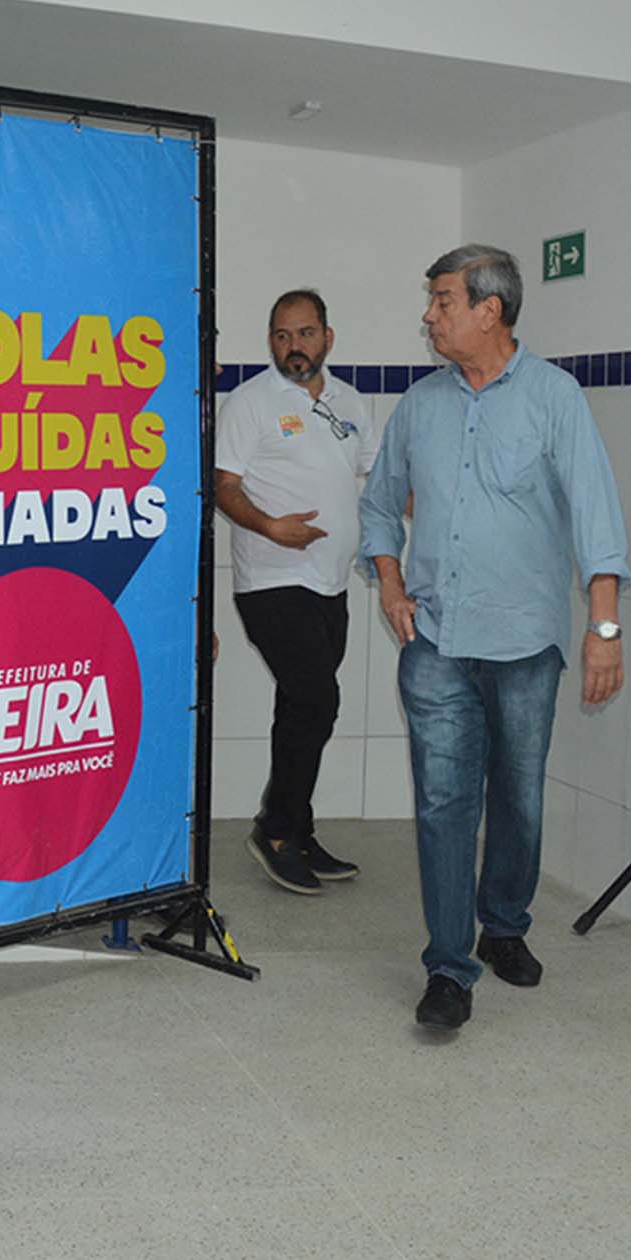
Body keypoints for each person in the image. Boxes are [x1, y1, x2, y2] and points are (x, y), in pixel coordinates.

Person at [359, 244, 629, 1032]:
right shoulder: (420, 405)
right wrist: (389, 581)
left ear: (490, 309)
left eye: (443, 300)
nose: (429, 316)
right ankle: (449, 967)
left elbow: (597, 517)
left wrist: (604, 629)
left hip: (524, 643)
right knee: (444, 804)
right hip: (437, 640)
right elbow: (378, 504)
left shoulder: (554, 397)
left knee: (519, 798)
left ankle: (504, 924)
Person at [213, 289, 374, 895]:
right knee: (315, 699)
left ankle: (295, 828)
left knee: (303, 707)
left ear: (327, 337)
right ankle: (277, 831)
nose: (293, 346)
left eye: (305, 334)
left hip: (330, 581)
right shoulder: (250, 402)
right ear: (270, 342)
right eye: (282, 336)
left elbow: (375, 477)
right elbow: (223, 485)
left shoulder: (350, 402)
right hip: (272, 580)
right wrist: (269, 527)